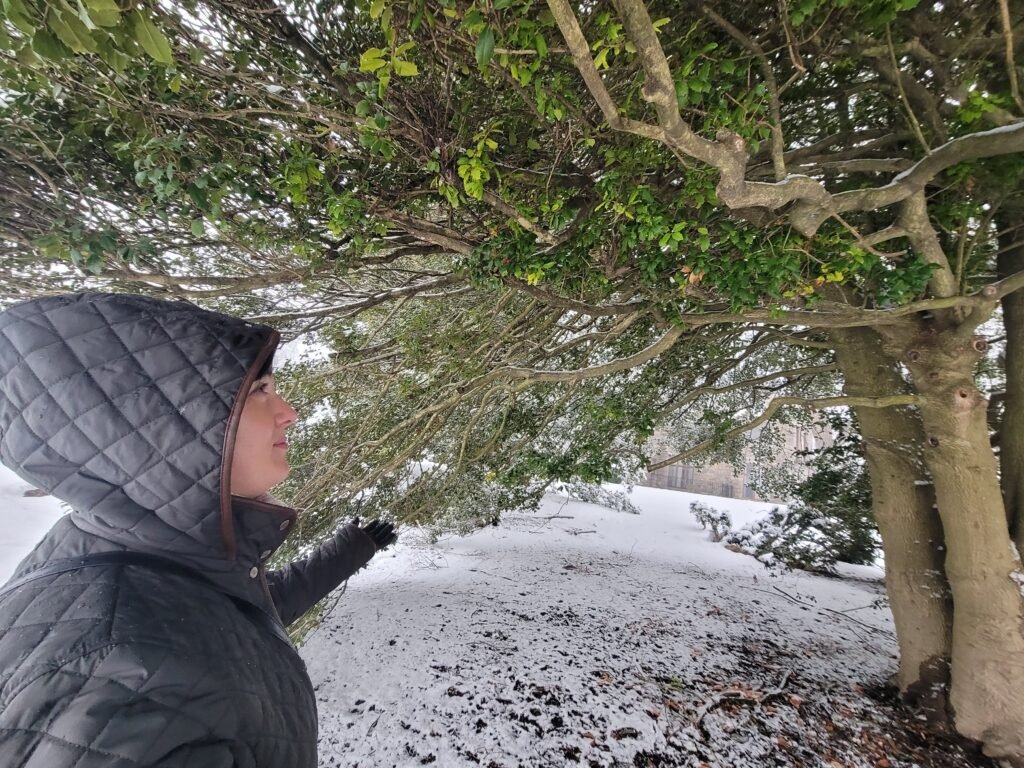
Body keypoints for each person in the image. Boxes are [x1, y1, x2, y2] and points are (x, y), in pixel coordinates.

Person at [0, 291, 396, 767]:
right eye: (260, 391)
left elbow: (240, 616)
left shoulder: (140, 554)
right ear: (160, 424)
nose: (288, 412)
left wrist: (354, 548)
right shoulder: (112, 676)